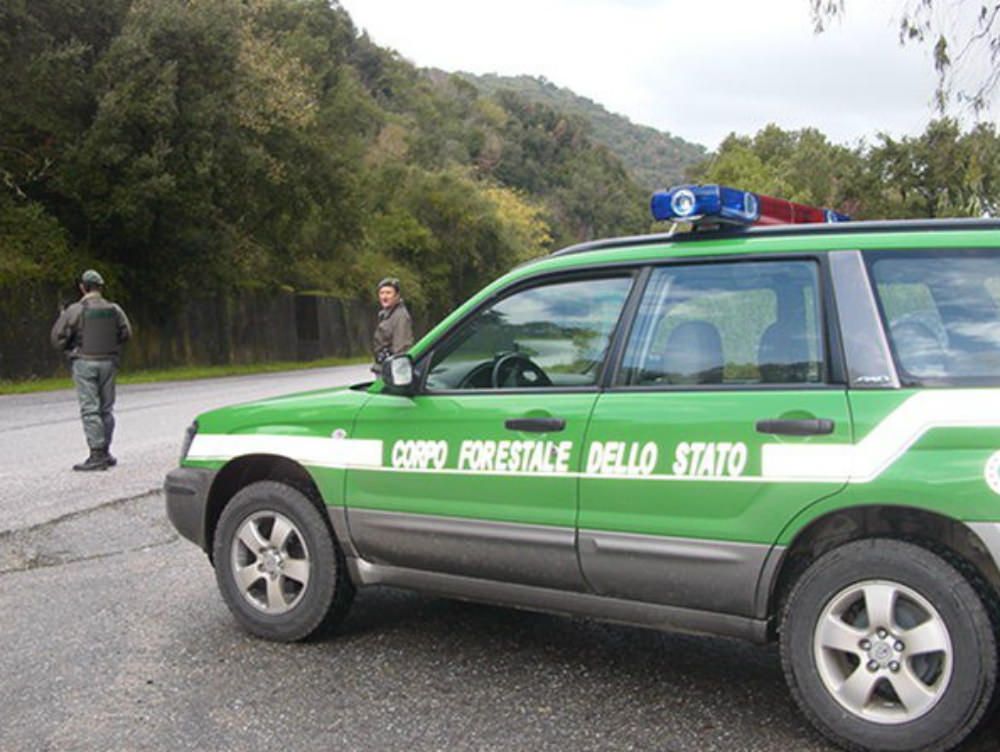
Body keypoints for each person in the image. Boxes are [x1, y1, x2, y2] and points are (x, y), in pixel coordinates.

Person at [51, 269, 132, 471]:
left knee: (90, 409)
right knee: (106, 408)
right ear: (100, 287)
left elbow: (57, 337)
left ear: (82, 287)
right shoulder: (115, 309)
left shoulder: (75, 310)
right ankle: (105, 451)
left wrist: (70, 348)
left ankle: (96, 455)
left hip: (84, 362)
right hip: (109, 363)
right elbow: (126, 333)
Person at [371, 276, 413, 374]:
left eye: (388, 293)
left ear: (397, 295)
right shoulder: (386, 314)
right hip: (382, 367)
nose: (384, 297)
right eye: (381, 293)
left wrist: (396, 372)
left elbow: (401, 348)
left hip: (390, 372)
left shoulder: (400, 316)